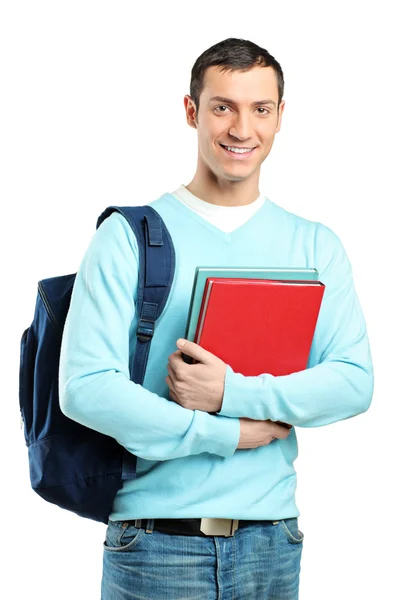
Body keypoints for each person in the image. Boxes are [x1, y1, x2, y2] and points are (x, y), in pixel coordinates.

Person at [58, 37, 374, 600]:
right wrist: (226, 434)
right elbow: (85, 388)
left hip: (272, 543)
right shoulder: (128, 237)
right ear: (191, 111)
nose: (241, 129)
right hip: (155, 547)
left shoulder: (316, 245)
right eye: (222, 106)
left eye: (260, 109)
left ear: (280, 118)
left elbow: (352, 382)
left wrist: (231, 392)